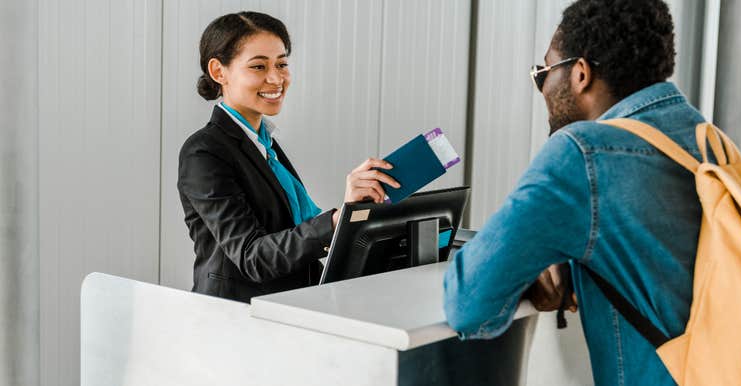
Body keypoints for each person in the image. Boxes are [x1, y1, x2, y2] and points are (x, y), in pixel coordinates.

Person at [443, 1, 708, 384]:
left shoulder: (581, 153)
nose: (542, 88)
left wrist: (527, 276)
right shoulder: (706, 138)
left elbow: (467, 303)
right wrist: (569, 263)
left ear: (580, 74)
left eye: (543, 72)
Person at [178, 12, 399, 303]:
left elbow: (290, 233)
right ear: (219, 72)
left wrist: (351, 209)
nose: (276, 78)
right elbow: (252, 257)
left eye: (282, 64)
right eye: (259, 66)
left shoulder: (263, 144)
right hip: (234, 320)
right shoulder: (204, 152)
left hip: (285, 309)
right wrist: (335, 221)